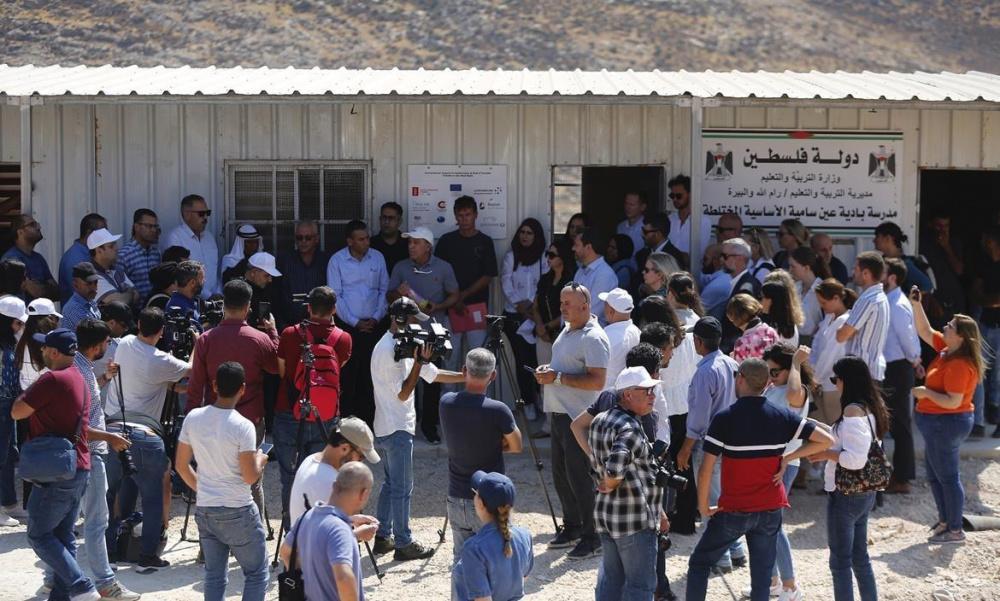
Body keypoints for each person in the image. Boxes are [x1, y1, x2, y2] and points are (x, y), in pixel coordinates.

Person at [686, 358, 833, 601]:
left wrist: (703, 506)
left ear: (740, 379)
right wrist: (788, 457)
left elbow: (706, 469)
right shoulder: (781, 415)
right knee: (762, 577)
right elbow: (826, 440)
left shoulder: (724, 418)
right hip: (770, 508)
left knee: (700, 563)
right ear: (766, 384)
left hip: (734, 508)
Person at [370, 298, 464, 560]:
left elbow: (433, 374)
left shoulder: (404, 345)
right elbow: (403, 394)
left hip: (395, 425)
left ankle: (383, 538)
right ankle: (403, 543)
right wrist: (420, 363)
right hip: (395, 427)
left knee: (392, 484)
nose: (418, 327)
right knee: (402, 488)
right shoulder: (386, 351)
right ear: (400, 320)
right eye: (414, 320)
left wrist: (466, 377)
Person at [11, 329, 100, 601]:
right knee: (63, 537)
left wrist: (28, 389)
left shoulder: (51, 379)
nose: (40, 352)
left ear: (53, 352)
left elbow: (17, 412)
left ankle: (82, 586)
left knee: (38, 535)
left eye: (43, 348)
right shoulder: (79, 377)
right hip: (78, 466)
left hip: (56, 473)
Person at [58, 319, 141, 600]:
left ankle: (53, 580)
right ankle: (105, 583)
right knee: (96, 521)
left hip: (84, 454)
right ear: (97, 345)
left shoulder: (81, 367)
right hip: (90, 453)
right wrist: (110, 438)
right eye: (107, 342)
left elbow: (88, 407)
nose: (109, 346)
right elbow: (77, 424)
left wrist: (104, 378)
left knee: (69, 521)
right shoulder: (80, 371)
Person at [104, 308, 191, 568]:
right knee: (152, 497)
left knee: (117, 491)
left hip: (113, 430)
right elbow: (191, 370)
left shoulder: (125, 344)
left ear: (139, 324)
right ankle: (147, 557)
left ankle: (112, 551)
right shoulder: (162, 361)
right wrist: (198, 341)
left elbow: (162, 381)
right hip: (145, 435)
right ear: (162, 331)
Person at [176, 362, 270, 601]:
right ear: (243, 389)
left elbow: (181, 465)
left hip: (206, 509)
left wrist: (204, 490)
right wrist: (260, 460)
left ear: (215, 386)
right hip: (238, 509)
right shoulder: (243, 426)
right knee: (257, 573)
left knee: (214, 576)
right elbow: (249, 476)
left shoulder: (193, 418)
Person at [185, 279, 279, 518]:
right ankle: (255, 531)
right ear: (248, 307)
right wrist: (272, 332)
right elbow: (275, 368)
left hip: (213, 418)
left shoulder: (206, 339)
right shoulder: (259, 338)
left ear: (224, 305)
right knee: (252, 480)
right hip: (251, 417)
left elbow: (195, 386)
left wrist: (190, 422)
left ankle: (212, 534)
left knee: (211, 475)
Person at [534, 283, 609, 559]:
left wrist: (556, 377)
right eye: (561, 302)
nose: (562, 307)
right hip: (559, 412)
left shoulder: (594, 337)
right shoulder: (568, 328)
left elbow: (597, 381)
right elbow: (563, 367)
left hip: (579, 417)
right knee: (561, 475)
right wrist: (549, 371)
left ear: (585, 306)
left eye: (567, 303)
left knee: (580, 477)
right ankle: (573, 526)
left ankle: (593, 536)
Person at [809, 356, 890, 601]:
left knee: (840, 562)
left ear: (847, 381)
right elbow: (852, 441)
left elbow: (855, 459)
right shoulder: (871, 406)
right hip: (864, 492)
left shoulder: (852, 411)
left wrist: (825, 454)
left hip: (846, 493)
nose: (834, 384)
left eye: (836, 379)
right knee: (859, 557)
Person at [590, 366, 670, 601]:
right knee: (640, 586)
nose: (652, 396)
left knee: (612, 581)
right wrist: (611, 482)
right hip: (634, 520)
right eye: (646, 391)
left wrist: (606, 483)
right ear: (627, 394)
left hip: (606, 514)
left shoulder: (600, 420)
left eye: (653, 391)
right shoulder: (630, 427)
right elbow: (615, 469)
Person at [910, 289, 984, 544]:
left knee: (948, 477)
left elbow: (953, 401)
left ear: (961, 336)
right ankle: (946, 522)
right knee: (935, 475)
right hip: (938, 423)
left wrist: (925, 393)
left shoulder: (960, 364)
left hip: (948, 423)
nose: (945, 327)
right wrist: (916, 305)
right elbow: (925, 331)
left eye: (950, 326)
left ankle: (954, 529)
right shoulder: (948, 350)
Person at [275, 286, 353, 526]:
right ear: (334, 310)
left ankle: (292, 531)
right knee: (323, 474)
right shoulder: (343, 338)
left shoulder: (289, 334)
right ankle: (319, 529)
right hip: (326, 414)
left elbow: (282, 372)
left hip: (290, 411)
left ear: (308, 307)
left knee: (290, 478)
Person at [675, 316, 746, 571]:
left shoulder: (705, 372)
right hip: (734, 442)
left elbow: (698, 417)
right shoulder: (732, 364)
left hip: (710, 446)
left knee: (710, 501)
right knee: (728, 498)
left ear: (698, 341)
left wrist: (685, 448)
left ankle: (720, 558)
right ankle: (736, 550)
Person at [440, 348, 523, 559]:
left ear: (464, 371)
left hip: (456, 495)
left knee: (462, 562)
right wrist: (495, 443)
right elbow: (516, 445)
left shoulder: (446, 402)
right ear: (493, 375)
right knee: (495, 560)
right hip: (489, 498)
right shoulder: (498, 410)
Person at [387, 225, 461, 443]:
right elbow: (389, 296)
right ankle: (407, 424)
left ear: (428, 246)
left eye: (416, 242)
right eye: (409, 242)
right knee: (406, 377)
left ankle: (429, 426)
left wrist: (439, 306)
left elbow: (454, 294)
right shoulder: (401, 267)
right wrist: (398, 293)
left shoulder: (444, 267)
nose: (411, 246)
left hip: (433, 331)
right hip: (406, 332)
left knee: (431, 380)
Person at [758, 343, 819, 601]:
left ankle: (790, 586)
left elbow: (794, 393)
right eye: (768, 371)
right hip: (767, 461)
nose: (771, 376)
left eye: (775, 371)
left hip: (784, 463)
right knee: (765, 525)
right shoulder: (774, 389)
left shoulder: (797, 391)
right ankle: (773, 582)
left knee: (773, 525)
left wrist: (796, 362)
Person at [279, 462, 375, 601]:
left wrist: (302, 583)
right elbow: (343, 578)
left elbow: (285, 552)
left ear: (335, 486)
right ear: (364, 494)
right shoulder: (340, 530)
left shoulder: (307, 517)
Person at [327, 220, 388, 426]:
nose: (366, 242)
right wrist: (355, 322)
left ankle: (369, 422)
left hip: (374, 326)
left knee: (371, 376)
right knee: (348, 376)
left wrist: (376, 317)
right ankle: (345, 422)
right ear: (350, 241)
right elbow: (336, 296)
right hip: (347, 328)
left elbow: (384, 290)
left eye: (367, 238)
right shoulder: (337, 261)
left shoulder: (377, 257)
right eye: (361, 239)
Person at [435, 195, 499, 373]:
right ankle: (448, 392)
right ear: (455, 216)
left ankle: (477, 392)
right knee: (449, 360)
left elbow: (488, 275)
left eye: (468, 215)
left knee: (478, 361)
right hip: (451, 309)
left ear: (475, 215)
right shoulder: (446, 241)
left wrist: (462, 295)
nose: (464, 219)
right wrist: (455, 299)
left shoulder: (485, 241)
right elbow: (438, 274)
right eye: (460, 215)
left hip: (476, 308)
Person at [661, 273, 703, 535]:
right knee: (685, 461)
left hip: (672, 401)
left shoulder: (672, 324)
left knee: (676, 462)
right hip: (692, 399)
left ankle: (683, 516)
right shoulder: (699, 322)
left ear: (671, 294)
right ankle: (688, 512)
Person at [453, 471, 534, 601]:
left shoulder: (473, 548)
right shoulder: (525, 536)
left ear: (480, 503)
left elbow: (483, 599)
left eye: (476, 493)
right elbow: (523, 577)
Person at [287, 416, 380, 525]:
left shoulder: (310, 459)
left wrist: (351, 520)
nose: (361, 463)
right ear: (344, 448)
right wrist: (360, 532)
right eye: (361, 457)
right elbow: (332, 533)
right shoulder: (332, 483)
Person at [881, 258, 923, 494]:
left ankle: (902, 477)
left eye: (883, 272)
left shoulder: (897, 304)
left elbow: (908, 338)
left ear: (892, 278)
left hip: (897, 368)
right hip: (891, 367)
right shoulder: (889, 300)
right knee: (891, 423)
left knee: (900, 425)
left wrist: (915, 360)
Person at [501, 218, 548, 419]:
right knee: (522, 360)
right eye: (522, 232)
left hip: (537, 316)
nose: (525, 236)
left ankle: (540, 398)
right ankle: (527, 402)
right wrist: (519, 304)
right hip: (515, 315)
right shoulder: (512, 256)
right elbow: (506, 282)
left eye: (530, 233)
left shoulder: (543, 257)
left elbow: (545, 283)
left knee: (538, 359)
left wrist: (533, 308)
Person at [531, 238, 576, 432]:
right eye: (547, 254)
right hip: (543, 335)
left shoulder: (571, 280)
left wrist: (549, 326)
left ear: (562, 257)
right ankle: (548, 424)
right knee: (543, 378)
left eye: (552, 255)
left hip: (563, 335)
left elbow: (569, 309)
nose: (548, 258)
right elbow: (535, 305)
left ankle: (563, 424)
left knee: (562, 380)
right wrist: (540, 326)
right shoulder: (545, 279)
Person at [837, 251, 891, 383]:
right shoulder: (881, 297)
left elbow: (841, 335)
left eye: (855, 269)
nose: (853, 273)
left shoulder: (868, 300)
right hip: (870, 371)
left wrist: (841, 328)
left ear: (866, 273)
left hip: (862, 373)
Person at [811, 280, 857, 425]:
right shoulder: (829, 318)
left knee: (835, 426)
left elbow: (829, 355)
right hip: (821, 380)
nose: (822, 306)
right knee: (822, 424)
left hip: (833, 383)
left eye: (824, 302)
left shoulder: (845, 320)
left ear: (836, 298)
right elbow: (816, 344)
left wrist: (815, 378)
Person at [971, 226, 1000, 438]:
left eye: (989, 240)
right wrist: (988, 301)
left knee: (997, 376)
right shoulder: (984, 265)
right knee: (978, 373)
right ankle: (978, 422)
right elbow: (976, 294)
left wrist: (986, 300)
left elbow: (986, 298)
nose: (986, 244)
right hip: (985, 324)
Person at [0, 297, 27, 526]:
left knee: (9, 455)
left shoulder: (9, 343)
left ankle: (9, 502)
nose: (20, 327)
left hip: (10, 405)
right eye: (18, 323)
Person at [276, 220, 331, 328]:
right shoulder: (284, 261)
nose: (303, 241)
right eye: (299, 238)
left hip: (319, 324)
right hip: (289, 324)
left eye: (308, 238)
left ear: (317, 239)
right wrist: (281, 324)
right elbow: (276, 293)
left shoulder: (326, 261)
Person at [163, 194, 219, 299]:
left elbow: (214, 272)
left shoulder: (210, 238)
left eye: (207, 213)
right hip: (189, 300)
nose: (205, 217)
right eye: (201, 214)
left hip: (214, 300)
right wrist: (208, 296)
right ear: (187, 214)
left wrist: (218, 294)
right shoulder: (175, 238)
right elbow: (180, 276)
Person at [716, 237, 762, 353]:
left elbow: (741, 324)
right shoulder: (741, 283)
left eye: (725, 256)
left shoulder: (746, 288)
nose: (721, 260)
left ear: (740, 258)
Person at [919, 210, 966, 322]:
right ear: (930, 225)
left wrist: (947, 247)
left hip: (955, 300)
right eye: (939, 226)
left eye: (946, 226)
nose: (942, 230)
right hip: (935, 299)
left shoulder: (954, 243)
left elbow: (959, 270)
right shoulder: (922, 245)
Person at [1, 213, 58, 301]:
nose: (38, 227)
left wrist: (34, 287)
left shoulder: (39, 258)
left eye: (37, 224)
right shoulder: (10, 260)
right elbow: (35, 292)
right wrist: (44, 287)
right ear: (20, 232)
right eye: (32, 224)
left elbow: (56, 292)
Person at [59, 213, 107, 304]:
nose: (106, 236)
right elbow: (85, 295)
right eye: (102, 232)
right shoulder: (76, 259)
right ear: (89, 233)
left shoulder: (89, 253)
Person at [874, 221, 933, 293]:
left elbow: (927, 285)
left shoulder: (906, 265)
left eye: (877, 237)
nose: (874, 240)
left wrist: (910, 299)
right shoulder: (881, 262)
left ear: (888, 238)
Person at [573, 227, 618, 321]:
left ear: (588, 247)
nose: (573, 248)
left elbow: (592, 311)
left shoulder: (604, 274)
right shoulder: (580, 271)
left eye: (576, 245)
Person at [88, 228, 140, 310]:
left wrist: (125, 295)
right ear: (99, 251)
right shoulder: (92, 276)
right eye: (111, 246)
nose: (116, 248)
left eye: (115, 244)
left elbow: (137, 295)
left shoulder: (116, 269)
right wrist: (129, 291)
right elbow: (120, 303)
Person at [599, 288, 641, 390]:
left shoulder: (605, 338)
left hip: (604, 392)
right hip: (627, 391)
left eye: (605, 306)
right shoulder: (638, 332)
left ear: (611, 311)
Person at [118, 209, 162, 305]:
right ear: (136, 227)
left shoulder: (156, 253)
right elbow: (120, 289)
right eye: (149, 226)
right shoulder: (124, 255)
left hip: (155, 308)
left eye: (155, 226)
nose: (153, 230)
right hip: (135, 310)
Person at [788, 246, 830, 341]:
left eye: (793, 266)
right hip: (794, 339)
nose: (790, 270)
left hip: (815, 341)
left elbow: (830, 319)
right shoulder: (794, 288)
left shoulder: (824, 290)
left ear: (806, 268)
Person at [668, 174, 713, 262]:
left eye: (679, 196)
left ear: (691, 194)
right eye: (672, 196)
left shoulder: (703, 221)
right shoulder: (669, 219)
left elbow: (699, 255)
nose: (675, 199)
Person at [728, 294, 780, 363]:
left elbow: (739, 368)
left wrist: (732, 359)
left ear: (735, 317)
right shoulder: (771, 332)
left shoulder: (742, 343)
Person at [636, 212, 688, 278]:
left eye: (645, 232)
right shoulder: (641, 255)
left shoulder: (674, 257)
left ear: (658, 234)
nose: (642, 235)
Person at [59, 262, 102, 333]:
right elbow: (94, 335)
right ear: (76, 284)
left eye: (95, 282)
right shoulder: (73, 308)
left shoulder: (91, 302)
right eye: (89, 283)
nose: (94, 287)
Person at [760, 277, 802, 347]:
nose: (759, 301)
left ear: (770, 301)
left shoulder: (770, 326)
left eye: (761, 297)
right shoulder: (790, 323)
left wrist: (764, 314)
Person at [370, 201, 409, 275]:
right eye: (384, 217)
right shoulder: (371, 244)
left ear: (399, 221)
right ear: (380, 219)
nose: (386, 222)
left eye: (391, 218)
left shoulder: (409, 244)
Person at [166, 260, 205, 325]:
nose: (204, 282)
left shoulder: (189, 301)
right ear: (192, 283)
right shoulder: (179, 307)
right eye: (202, 279)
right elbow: (196, 331)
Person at [699, 244, 731, 317]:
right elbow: (704, 278)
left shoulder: (718, 284)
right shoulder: (724, 277)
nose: (702, 262)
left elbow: (697, 311)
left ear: (717, 261)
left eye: (705, 259)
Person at [616, 190, 648, 258]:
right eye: (626, 203)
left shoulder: (647, 228)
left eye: (632, 204)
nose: (627, 207)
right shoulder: (620, 227)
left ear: (643, 207)